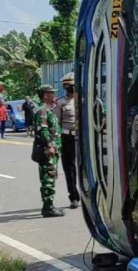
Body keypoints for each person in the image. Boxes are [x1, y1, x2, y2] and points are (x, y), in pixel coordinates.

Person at [34, 84, 65, 217]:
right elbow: (43, 130)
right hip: (48, 152)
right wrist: (49, 146)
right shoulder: (42, 111)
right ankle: (47, 208)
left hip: (53, 150)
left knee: (51, 176)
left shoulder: (49, 110)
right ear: (45, 95)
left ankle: (49, 205)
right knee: (48, 177)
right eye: (51, 92)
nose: (54, 94)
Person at [54, 73, 80, 209]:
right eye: (68, 85)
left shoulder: (83, 100)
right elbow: (56, 123)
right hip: (67, 137)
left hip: (83, 137)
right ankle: (74, 196)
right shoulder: (60, 103)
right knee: (69, 168)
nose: (71, 88)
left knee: (85, 167)